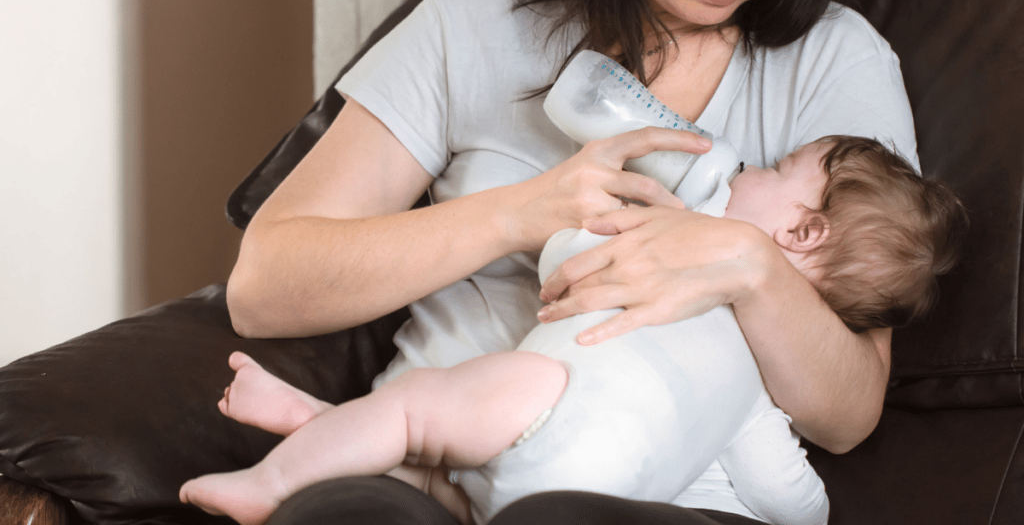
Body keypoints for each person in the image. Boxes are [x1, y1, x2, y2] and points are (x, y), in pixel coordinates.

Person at [222, 0, 920, 523]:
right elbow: (263, 288)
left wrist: (751, 266)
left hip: (674, 499)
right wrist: (518, 214)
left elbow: (848, 411)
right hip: (429, 460)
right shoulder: (473, 18)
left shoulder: (836, 60)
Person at [180, 136, 968, 525]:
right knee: (432, 483)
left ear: (801, 235)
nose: (745, 170)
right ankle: (316, 427)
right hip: (603, 491)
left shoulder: (696, 271)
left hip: (544, 404)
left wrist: (621, 224)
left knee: (419, 414)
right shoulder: (758, 382)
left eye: (773, 167)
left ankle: (273, 480)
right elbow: (786, 494)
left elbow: (566, 259)